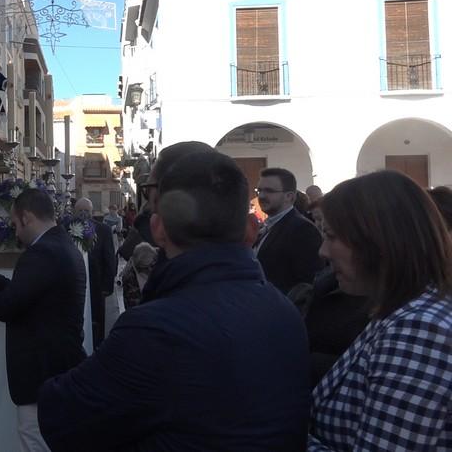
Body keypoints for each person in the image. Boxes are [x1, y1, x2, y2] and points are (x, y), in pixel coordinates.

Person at [38, 151, 310, 451]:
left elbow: (61, 419)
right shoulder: (285, 312)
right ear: (249, 228)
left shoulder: (154, 330)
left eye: (153, 193)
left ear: (158, 228)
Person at [310, 170, 452, 450]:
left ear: (378, 241)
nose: (323, 251)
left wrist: (274, 434)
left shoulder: (419, 328)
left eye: (332, 236)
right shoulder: (402, 310)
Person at [0, 189, 86, 452]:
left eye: (15, 224)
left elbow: (7, 307)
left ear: (27, 217)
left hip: (41, 375)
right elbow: (31, 296)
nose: (16, 233)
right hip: (59, 369)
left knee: (38, 443)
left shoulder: (40, 253)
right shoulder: (63, 246)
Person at [253, 167, 323, 294]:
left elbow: (307, 284)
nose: (261, 196)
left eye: (269, 191)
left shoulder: (302, 230)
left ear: (289, 196)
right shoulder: (268, 226)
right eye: (259, 190)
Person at [73, 198, 117, 348]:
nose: (84, 214)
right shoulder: (67, 228)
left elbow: (109, 258)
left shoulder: (103, 230)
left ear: (92, 212)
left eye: (87, 211)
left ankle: (97, 347)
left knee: (96, 320)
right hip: (74, 285)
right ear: (75, 212)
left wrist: (107, 285)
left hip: (96, 284)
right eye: (80, 211)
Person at [119, 241, 157, 311]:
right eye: (146, 268)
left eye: (152, 265)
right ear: (139, 267)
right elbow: (132, 306)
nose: (149, 269)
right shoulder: (129, 277)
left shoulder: (156, 255)